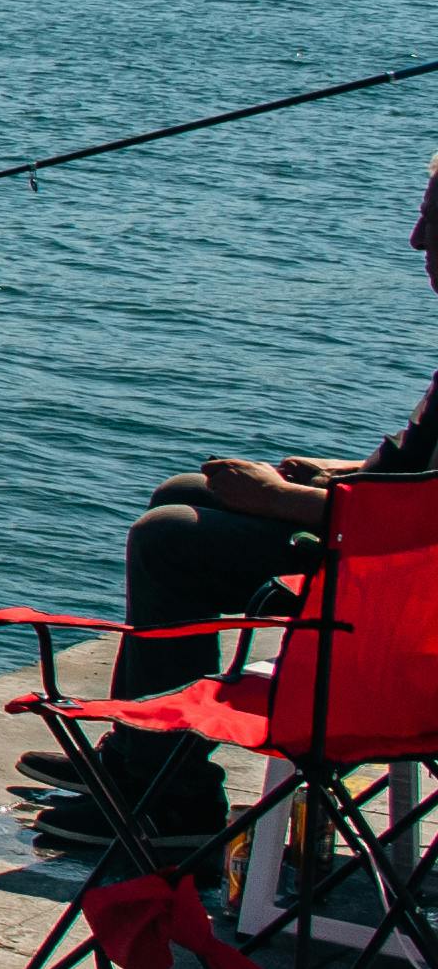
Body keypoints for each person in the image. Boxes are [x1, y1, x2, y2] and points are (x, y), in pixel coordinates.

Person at [33, 161, 438, 856]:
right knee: (184, 494)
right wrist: (334, 472)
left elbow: (422, 516)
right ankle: (143, 759)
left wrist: (281, 499)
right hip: (397, 568)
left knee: (170, 539)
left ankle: (169, 801)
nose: (414, 239)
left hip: (400, 601)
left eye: (436, 220)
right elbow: (416, 473)